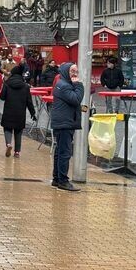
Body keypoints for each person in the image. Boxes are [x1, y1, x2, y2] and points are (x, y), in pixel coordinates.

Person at [50, 62, 85, 192]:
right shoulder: (64, 86)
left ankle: (57, 178)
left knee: (59, 151)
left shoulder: (63, 84)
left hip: (63, 122)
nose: (75, 74)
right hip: (64, 123)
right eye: (72, 71)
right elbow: (76, 99)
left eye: (76, 71)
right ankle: (63, 180)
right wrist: (79, 85)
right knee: (64, 153)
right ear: (66, 72)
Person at [0, 64, 38, 159]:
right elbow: (29, 102)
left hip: (9, 111)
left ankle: (8, 144)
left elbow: (2, 97)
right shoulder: (25, 86)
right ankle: (17, 152)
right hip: (20, 112)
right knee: (18, 132)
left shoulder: (7, 83)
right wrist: (33, 113)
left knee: (7, 129)